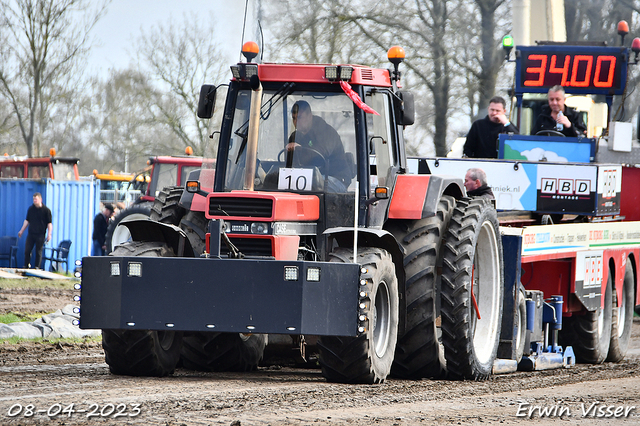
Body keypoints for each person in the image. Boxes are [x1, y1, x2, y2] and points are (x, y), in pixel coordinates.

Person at [287, 100, 352, 191]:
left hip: (335, 179)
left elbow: (318, 155)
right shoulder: (295, 137)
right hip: (309, 178)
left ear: (310, 116)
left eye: (299, 117)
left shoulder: (327, 132)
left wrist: (300, 149)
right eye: (293, 118)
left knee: (312, 182)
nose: (295, 122)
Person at [17, 192, 52, 269]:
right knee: (27, 250)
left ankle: (37, 267)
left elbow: (49, 223)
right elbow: (27, 221)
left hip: (40, 234)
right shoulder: (31, 209)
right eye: (34, 199)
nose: (34, 200)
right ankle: (26, 265)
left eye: (36, 199)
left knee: (38, 251)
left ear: (40, 199)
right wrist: (21, 231)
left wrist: (49, 234)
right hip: (31, 233)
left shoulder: (46, 211)